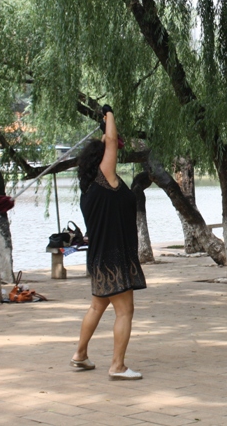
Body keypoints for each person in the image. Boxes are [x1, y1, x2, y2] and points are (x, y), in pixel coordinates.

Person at [70, 105, 147, 379]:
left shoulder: (91, 188)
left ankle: (80, 354)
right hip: (115, 258)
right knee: (125, 311)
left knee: (97, 305)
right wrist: (110, 113)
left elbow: (108, 140)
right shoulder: (106, 180)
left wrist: (104, 127)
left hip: (100, 257)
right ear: (103, 161)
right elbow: (112, 142)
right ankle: (117, 366)